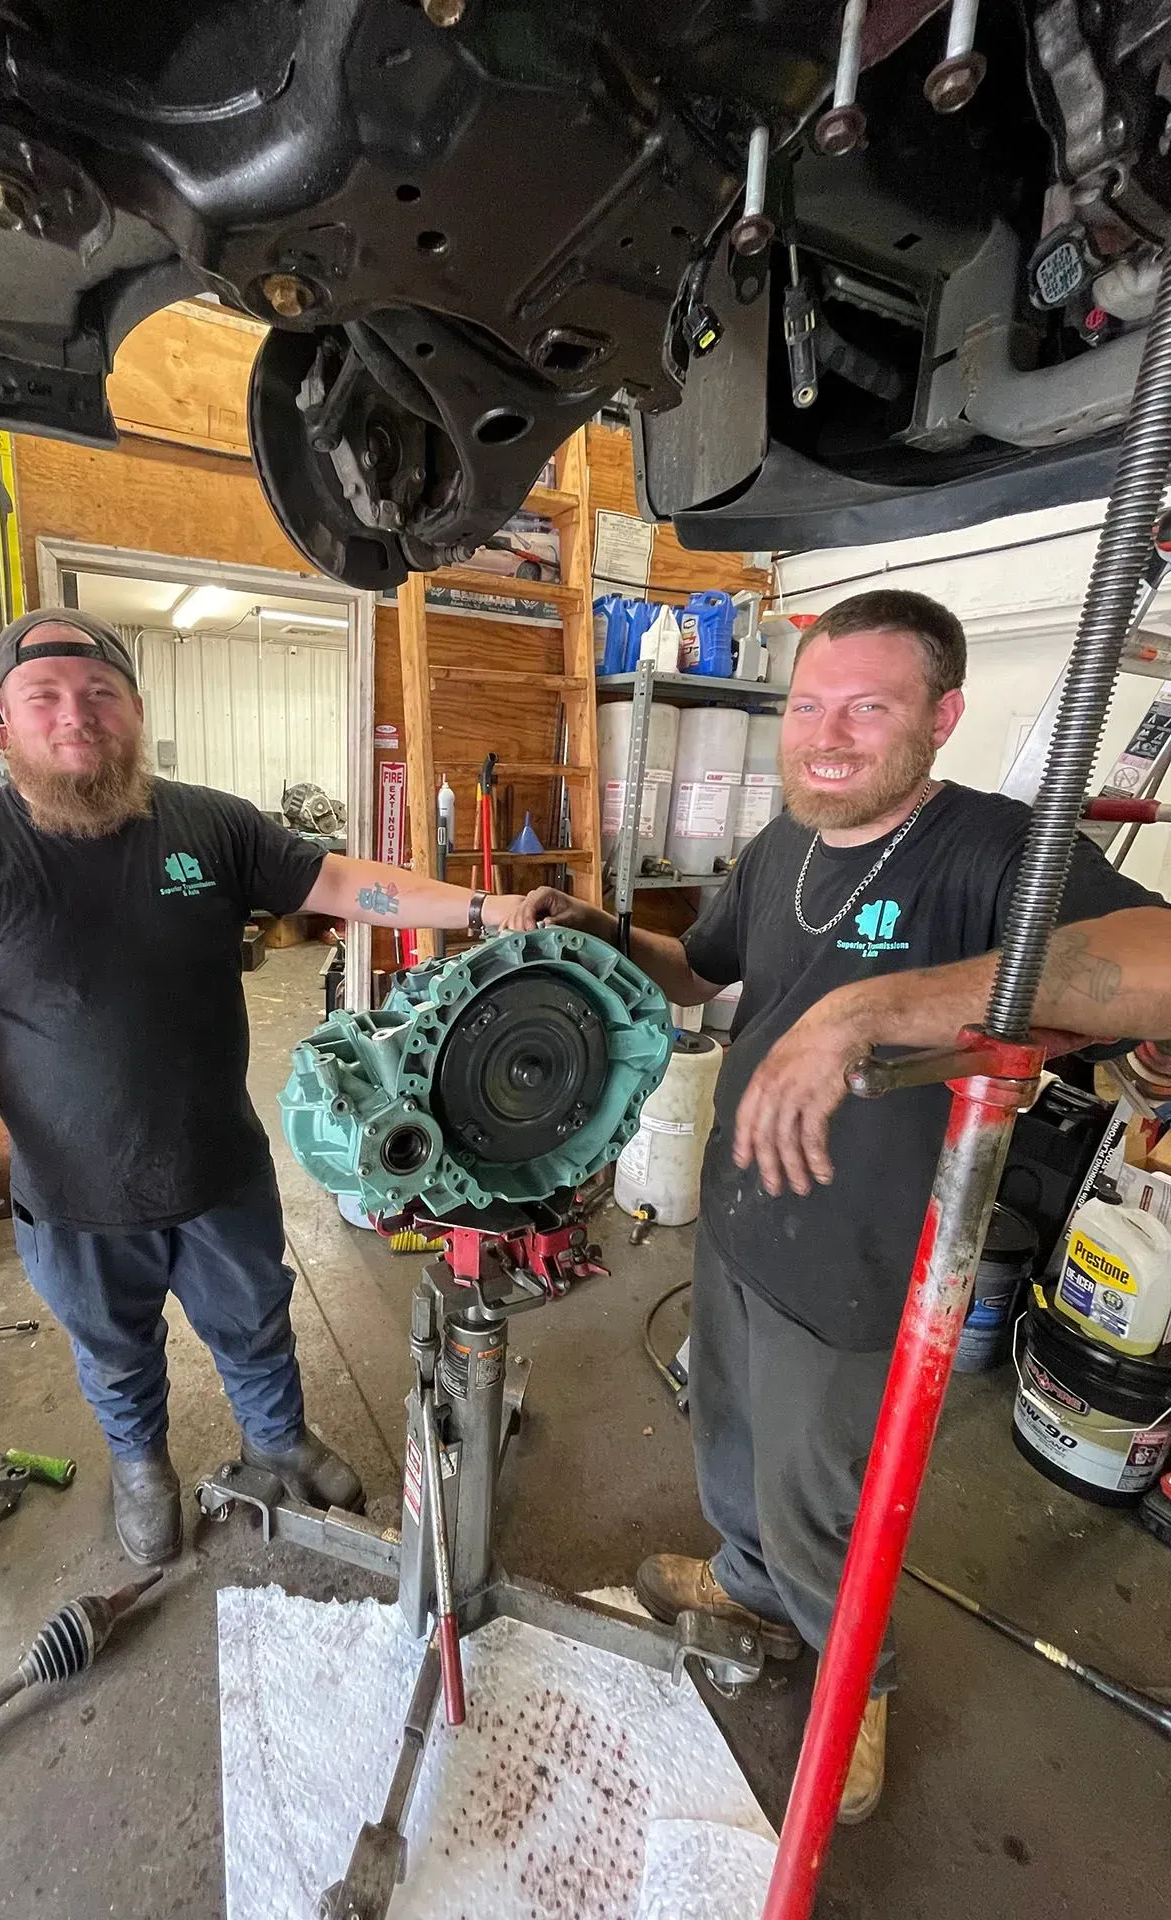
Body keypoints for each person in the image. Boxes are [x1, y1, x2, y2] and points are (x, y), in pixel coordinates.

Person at [505, 589, 1171, 1823]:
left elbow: (1160, 965)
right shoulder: (780, 845)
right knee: (732, 1446)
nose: (826, 734)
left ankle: (857, 1678)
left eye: (869, 707)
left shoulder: (992, 852)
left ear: (942, 718)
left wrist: (865, 1010)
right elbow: (702, 975)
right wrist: (601, 930)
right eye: (809, 705)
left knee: (823, 1499)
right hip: (743, 1222)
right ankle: (747, 1583)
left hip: (863, 1264)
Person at [0, 610, 526, 1566]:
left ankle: (278, 1438)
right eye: (44, 699)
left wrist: (481, 906)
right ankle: (141, 1468)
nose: (75, 717)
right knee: (115, 1356)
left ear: (134, 710)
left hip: (221, 1172)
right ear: (6, 727)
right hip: (73, 1202)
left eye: (99, 695)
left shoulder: (208, 824)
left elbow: (340, 883)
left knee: (255, 1323)